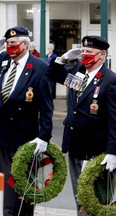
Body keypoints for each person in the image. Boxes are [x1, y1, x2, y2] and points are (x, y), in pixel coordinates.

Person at [48, 35, 116, 216]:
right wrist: (62, 59)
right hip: (76, 145)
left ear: (101, 55)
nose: (85, 55)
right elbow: (53, 75)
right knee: (79, 197)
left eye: (89, 52)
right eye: (83, 51)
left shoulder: (111, 80)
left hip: (96, 150)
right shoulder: (79, 73)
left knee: (94, 201)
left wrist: (114, 151)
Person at [0, 27, 53, 216]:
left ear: (25, 44)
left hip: (23, 138)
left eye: (13, 44)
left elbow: (47, 107)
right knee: (6, 186)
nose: (9, 47)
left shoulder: (39, 67)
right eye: (7, 44)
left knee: (20, 188)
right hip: (2, 134)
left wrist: (44, 136)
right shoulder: (3, 61)